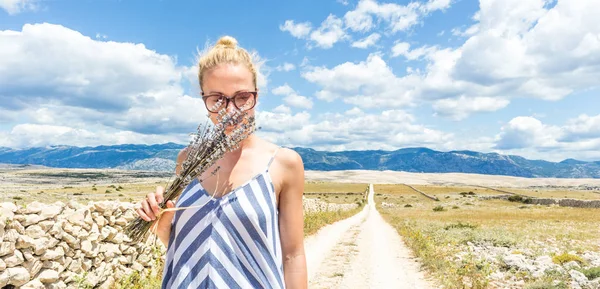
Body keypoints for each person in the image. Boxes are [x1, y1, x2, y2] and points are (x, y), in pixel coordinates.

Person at [136, 35, 308, 289]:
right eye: (217, 98)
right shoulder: (187, 159)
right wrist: (159, 225)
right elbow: (185, 243)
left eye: (242, 97)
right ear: (204, 99)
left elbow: (293, 255)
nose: (230, 110)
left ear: (256, 97)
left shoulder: (284, 163)